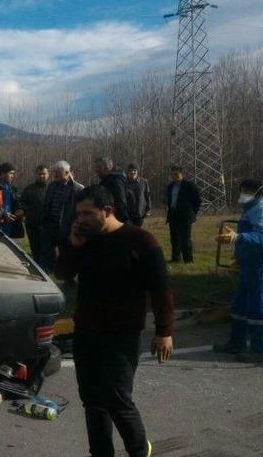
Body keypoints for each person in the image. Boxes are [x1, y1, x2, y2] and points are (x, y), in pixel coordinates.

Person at [55, 185, 174, 457]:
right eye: (78, 213)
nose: (80, 219)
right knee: (92, 401)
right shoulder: (84, 239)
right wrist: (73, 246)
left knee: (117, 399)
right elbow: (63, 272)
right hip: (86, 332)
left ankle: (139, 451)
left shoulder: (141, 241)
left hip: (122, 334)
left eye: (87, 213)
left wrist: (164, 331)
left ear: (107, 211)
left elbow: (161, 289)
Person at [214, 178, 263, 363]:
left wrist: (237, 237)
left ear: (257, 192)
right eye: (241, 190)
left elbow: (261, 236)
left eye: (247, 191)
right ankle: (237, 342)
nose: (243, 194)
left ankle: (259, 349)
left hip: (259, 266)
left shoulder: (260, 209)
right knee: (239, 306)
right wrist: (239, 256)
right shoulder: (250, 209)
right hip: (248, 265)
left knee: (257, 308)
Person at [38, 160, 84, 272]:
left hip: (66, 226)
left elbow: (80, 211)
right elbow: (47, 205)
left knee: (66, 253)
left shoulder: (78, 189)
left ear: (67, 172)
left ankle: (66, 277)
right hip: (50, 225)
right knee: (47, 252)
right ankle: (46, 274)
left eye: (58, 172)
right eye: (54, 171)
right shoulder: (52, 186)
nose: (55, 174)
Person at [165, 165, 201, 263]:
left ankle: (188, 260)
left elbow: (197, 200)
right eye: (172, 174)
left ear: (181, 174)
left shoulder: (189, 185)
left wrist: (193, 213)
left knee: (185, 239)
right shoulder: (170, 186)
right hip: (173, 214)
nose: (174, 176)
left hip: (185, 216)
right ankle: (176, 258)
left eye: (176, 174)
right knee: (174, 239)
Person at [18, 165, 50, 258]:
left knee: (47, 249)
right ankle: (36, 267)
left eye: (44, 174)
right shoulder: (29, 189)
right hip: (32, 225)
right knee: (35, 249)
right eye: (39, 174)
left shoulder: (52, 188)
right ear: (36, 175)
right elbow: (22, 203)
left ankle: (46, 269)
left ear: (48, 174)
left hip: (48, 225)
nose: (41, 176)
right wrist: (25, 211)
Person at [93, 156, 129, 223]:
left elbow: (121, 203)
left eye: (98, 167)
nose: (96, 170)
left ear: (106, 167)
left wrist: (120, 223)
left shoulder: (115, 181)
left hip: (116, 222)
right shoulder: (106, 181)